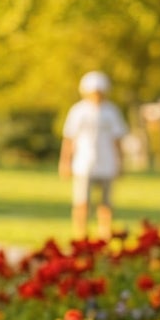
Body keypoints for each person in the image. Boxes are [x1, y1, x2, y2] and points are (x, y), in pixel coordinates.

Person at [59, 71, 129, 240]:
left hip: (107, 163)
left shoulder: (111, 112)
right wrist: (65, 161)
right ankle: (80, 235)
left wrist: (121, 162)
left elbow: (117, 140)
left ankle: (104, 234)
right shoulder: (78, 111)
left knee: (106, 203)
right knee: (82, 202)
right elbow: (69, 139)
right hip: (84, 163)